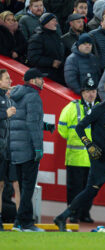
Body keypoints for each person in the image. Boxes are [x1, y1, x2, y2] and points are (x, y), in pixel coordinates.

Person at [54, 79, 105, 232]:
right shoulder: (99, 109)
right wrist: (89, 145)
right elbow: (80, 128)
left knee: (90, 191)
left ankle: (61, 217)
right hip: (98, 157)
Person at [10, 68, 54, 232]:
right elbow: (30, 124)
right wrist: (37, 148)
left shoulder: (16, 94)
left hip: (16, 148)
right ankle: (20, 222)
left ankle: (26, 222)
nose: (43, 81)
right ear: (33, 81)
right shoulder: (34, 96)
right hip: (28, 148)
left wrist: (45, 125)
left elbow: (23, 120)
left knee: (23, 187)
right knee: (28, 188)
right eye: (40, 78)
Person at [57, 79, 98, 223]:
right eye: (88, 91)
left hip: (93, 158)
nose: (91, 94)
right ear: (82, 93)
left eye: (93, 91)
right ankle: (73, 213)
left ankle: (85, 214)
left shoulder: (100, 107)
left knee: (90, 189)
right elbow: (62, 128)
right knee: (75, 188)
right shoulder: (71, 107)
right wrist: (75, 139)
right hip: (75, 157)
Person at [27, 12, 65, 85]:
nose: (56, 23)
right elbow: (33, 57)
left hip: (58, 73)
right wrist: (52, 62)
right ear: (46, 22)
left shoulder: (56, 35)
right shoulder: (37, 37)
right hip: (46, 75)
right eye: (54, 20)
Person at [0, 69, 16, 231]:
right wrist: (5, 113)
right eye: (7, 78)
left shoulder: (6, 99)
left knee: (3, 185)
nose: (10, 81)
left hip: (4, 150)